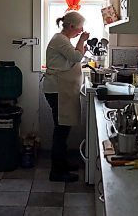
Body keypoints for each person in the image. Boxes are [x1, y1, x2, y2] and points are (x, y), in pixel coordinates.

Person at [43, 11, 90, 182]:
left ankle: (62, 164)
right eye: (79, 28)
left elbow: (73, 59)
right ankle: (57, 171)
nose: (80, 31)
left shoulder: (63, 41)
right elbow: (77, 56)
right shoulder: (60, 40)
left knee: (64, 129)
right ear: (71, 26)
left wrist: (80, 41)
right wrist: (82, 40)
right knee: (61, 131)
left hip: (60, 90)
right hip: (57, 90)